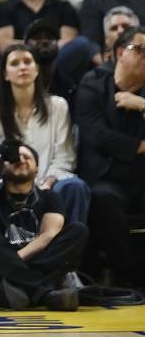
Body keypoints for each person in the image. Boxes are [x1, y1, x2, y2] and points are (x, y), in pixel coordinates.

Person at [0, 143, 87, 310]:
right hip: (3, 266)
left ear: (37, 169)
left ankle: (19, 287)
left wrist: (13, 262)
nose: (20, 160)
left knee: (78, 230)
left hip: (18, 265)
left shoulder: (49, 197)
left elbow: (49, 235)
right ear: (2, 167)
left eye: (27, 157)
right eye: (14, 158)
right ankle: (45, 293)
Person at [0, 44, 89, 225]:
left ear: (37, 70)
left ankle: (72, 241)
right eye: (15, 63)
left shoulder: (58, 106)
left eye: (27, 62)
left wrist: (47, 184)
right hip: (12, 184)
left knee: (75, 187)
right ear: (5, 74)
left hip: (52, 182)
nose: (22, 67)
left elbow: (65, 157)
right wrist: (24, 186)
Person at [74, 26, 145, 289]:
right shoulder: (92, 84)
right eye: (140, 49)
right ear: (120, 53)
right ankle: (130, 278)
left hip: (141, 177)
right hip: (107, 177)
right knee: (102, 198)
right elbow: (99, 136)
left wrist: (142, 104)